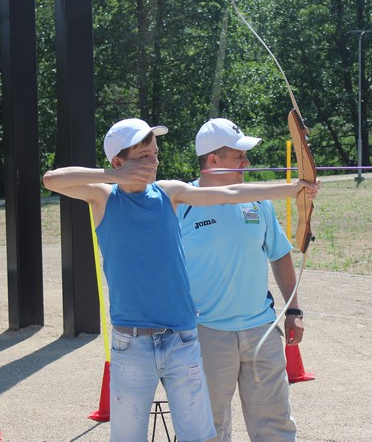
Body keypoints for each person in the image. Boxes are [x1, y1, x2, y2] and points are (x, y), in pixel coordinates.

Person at [42, 118, 318, 442]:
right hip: (134, 340)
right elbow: (51, 179)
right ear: (119, 161)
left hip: (182, 338)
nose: (154, 162)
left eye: (155, 154)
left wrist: (291, 189)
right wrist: (114, 177)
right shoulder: (105, 198)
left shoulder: (169, 192)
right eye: (144, 156)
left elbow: (230, 192)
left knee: (200, 435)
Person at [177, 118, 307, 441]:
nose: (247, 162)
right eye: (239, 156)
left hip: (261, 331)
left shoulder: (258, 200)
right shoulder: (180, 203)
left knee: (276, 427)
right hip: (206, 336)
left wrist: (293, 310)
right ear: (213, 161)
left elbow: (278, 254)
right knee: (209, 431)